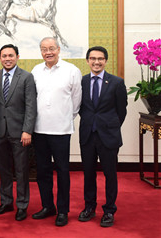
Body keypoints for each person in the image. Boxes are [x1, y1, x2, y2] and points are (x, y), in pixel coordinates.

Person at [31, 37, 82, 227]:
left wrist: (67, 117)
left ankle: (63, 210)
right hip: (39, 129)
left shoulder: (71, 71)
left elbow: (76, 101)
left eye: (51, 48)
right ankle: (47, 206)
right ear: (41, 52)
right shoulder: (36, 70)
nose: (48, 52)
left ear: (59, 49)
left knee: (62, 171)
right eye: (44, 49)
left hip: (61, 130)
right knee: (42, 171)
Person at [78, 46, 127, 228]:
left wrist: (109, 126)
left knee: (110, 174)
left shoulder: (116, 82)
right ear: (88, 61)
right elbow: (80, 107)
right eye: (92, 58)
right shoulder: (81, 82)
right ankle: (89, 207)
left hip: (109, 136)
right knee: (88, 174)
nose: (96, 62)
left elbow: (121, 111)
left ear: (105, 61)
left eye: (100, 59)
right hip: (88, 135)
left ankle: (109, 210)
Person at [0, 44, 37, 221]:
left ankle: (22, 205)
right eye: (4, 56)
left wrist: (27, 130)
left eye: (11, 55)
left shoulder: (26, 77)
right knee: (3, 170)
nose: (7, 59)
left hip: (20, 133)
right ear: (0, 58)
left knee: (21, 170)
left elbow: (31, 106)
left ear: (17, 57)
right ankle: (6, 201)